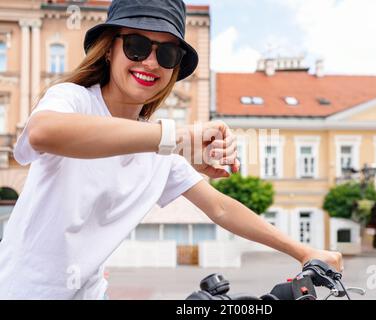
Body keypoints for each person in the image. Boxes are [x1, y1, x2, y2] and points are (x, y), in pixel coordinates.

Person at [0, 0, 343, 300]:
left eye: (166, 53)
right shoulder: (74, 99)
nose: (150, 62)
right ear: (109, 49)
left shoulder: (160, 148)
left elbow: (221, 208)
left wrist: (304, 251)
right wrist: (175, 138)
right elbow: (44, 132)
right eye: (136, 46)